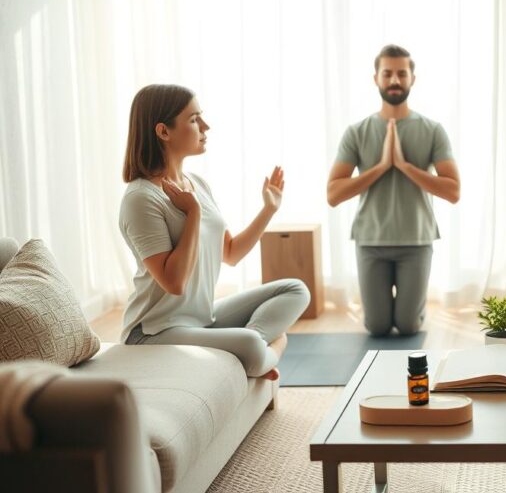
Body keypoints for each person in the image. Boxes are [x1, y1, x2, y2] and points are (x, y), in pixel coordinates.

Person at [119, 84, 309, 379]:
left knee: (295, 290)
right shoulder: (141, 199)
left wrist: (268, 209)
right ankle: (255, 350)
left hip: (201, 319)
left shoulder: (197, 184)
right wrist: (192, 214)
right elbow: (174, 282)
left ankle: (251, 351)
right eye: (194, 119)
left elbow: (231, 253)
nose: (205, 126)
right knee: (252, 342)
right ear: (163, 132)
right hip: (155, 331)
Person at [327, 44, 460, 336]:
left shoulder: (432, 130)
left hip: (416, 240)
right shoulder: (356, 132)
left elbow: (453, 191)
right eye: (387, 74)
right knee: (377, 327)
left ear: (413, 78)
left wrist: (404, 165)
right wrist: (382, 167)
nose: (395, 80)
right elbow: (333, 194)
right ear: (376, 78)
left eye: (402, 73)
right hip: (371, 241)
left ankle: (412, 312)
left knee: (409, 326)